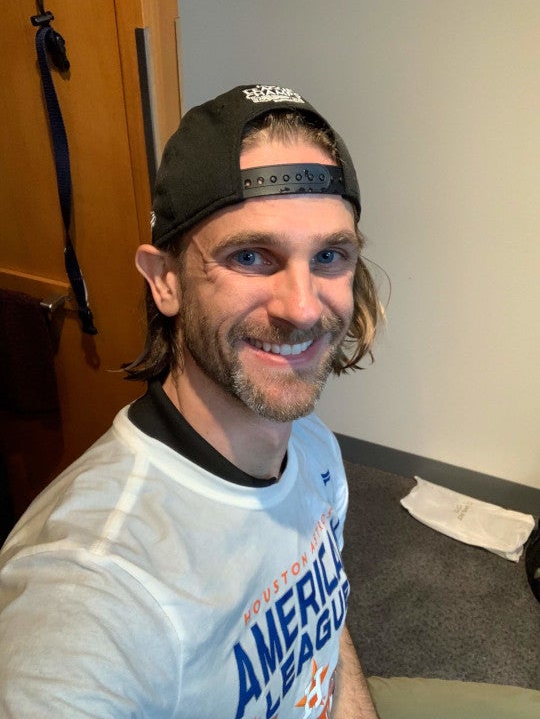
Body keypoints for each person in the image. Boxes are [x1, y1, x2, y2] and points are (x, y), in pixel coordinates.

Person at [1, 84, 539, 719]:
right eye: (252, 255)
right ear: (165, 281)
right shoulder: (93, 585)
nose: (305, 307)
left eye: (330, 256)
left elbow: (325, 630)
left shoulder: (310, 447)